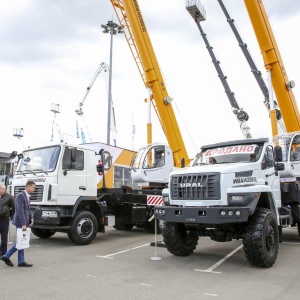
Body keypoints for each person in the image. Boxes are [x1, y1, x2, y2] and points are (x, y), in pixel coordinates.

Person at [1, 180, 35, 267]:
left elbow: (28, 209)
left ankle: (21, 261)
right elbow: (20, 211)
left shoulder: (27, 196)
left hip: (24, 221)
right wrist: (23, 224)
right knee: (20, 241)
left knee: (22, 240)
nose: (34, 189)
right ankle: (6, 256)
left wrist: (31, 218)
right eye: (33, 187)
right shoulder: (20, 196)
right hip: (20, 222)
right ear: (28, 187)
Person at [0, 182, 15, 257]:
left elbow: (13, 207)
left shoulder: (9, 197)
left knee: (4, 236)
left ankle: (3, 253)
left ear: (4, 189)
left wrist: (9, 215)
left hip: (4, 219)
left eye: (0, 188)